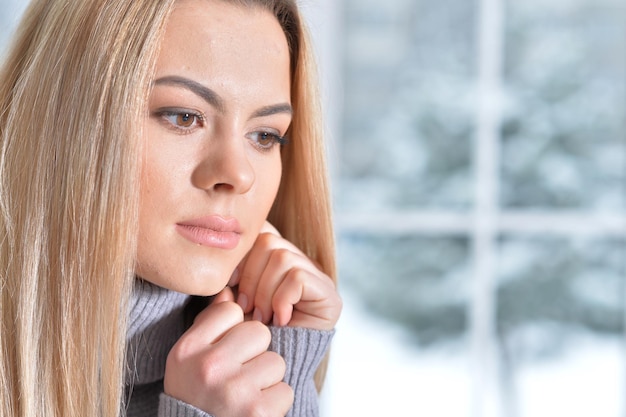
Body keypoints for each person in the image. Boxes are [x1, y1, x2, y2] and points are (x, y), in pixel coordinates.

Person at [0, 0, 342, 416]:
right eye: (183, 117)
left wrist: (285, 364)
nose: (239, 175)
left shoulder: (265, 344)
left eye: (265, 135)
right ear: (63, 121)